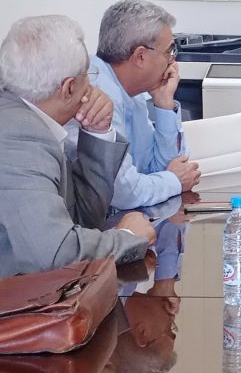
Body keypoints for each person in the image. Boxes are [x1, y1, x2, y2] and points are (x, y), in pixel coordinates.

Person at [0, 15, 155, 277]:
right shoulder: (20, 137)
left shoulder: (26, 118)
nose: (91, 87)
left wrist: (98, 132)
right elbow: (56, 255)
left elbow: (81, 218)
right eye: (87, 76)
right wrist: (128, 237)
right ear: (69, 88)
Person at [79, 0, 201, 210]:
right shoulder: (97, 94)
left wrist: (164, 104)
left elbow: (162, 167)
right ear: (140, 56)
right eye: (169, 52)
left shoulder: (132, 92)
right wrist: (174, 181)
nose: (172, 61)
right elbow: (123, 193)